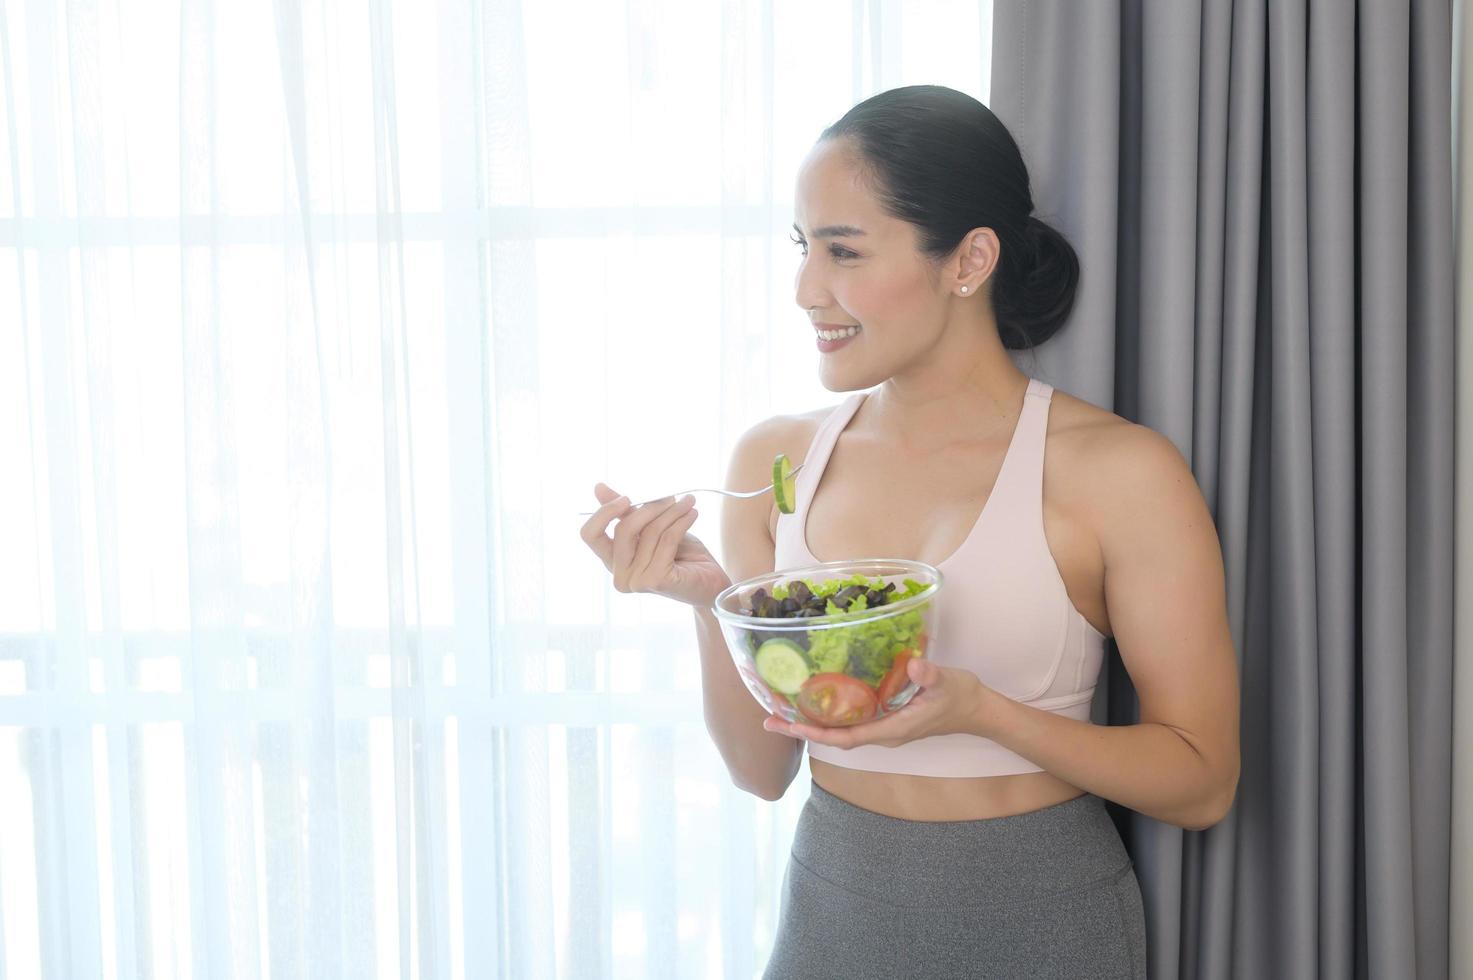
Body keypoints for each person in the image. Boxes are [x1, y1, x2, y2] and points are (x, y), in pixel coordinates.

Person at [580, 84, 1239, 980]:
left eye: (843, 252)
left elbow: (1201, 782)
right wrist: (712, 609)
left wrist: (981, 712)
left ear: (968, 260)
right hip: (833, 907)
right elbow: (761, 773)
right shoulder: (775, 462)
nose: (807, 289)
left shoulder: (1116, 472)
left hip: (1042, 917)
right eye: (803, 248)